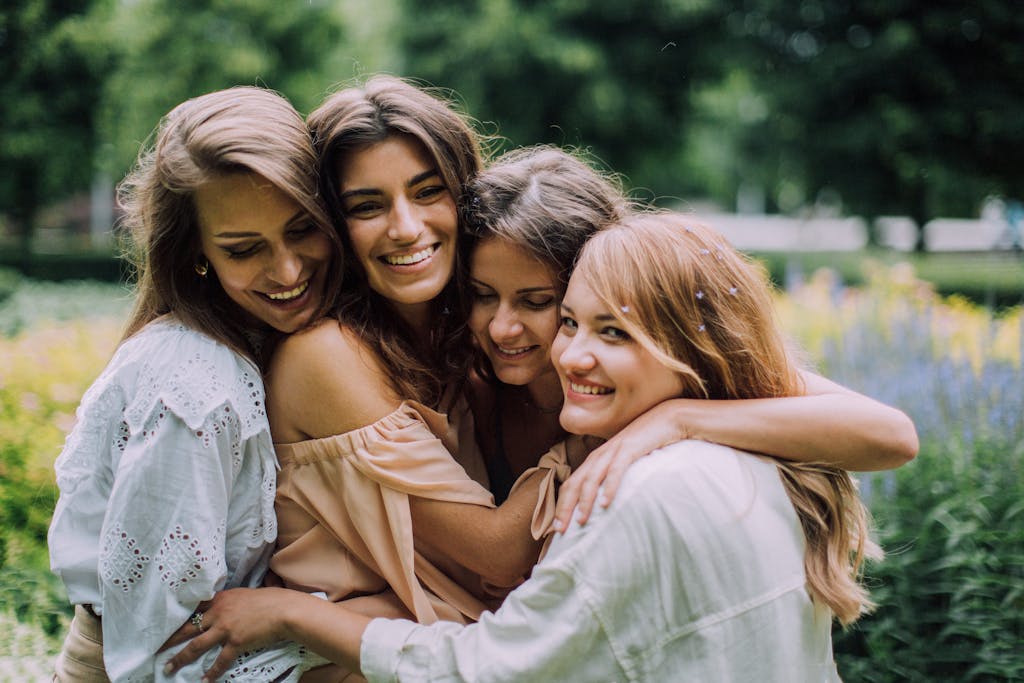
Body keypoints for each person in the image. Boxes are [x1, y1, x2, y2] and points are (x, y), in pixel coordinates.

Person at [165, 212, 883, 681]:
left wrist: (296, 614)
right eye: (572, 321)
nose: (568, 354)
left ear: (689, 350)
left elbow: (487, 669)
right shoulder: (759, 449)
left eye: (614, 334)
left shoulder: (630, 490)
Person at [46, 86, 342, 682]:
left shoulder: (264, 339)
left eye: (303, 228)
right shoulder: (195, 386)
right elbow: (157, 653)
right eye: (243, 249)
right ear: (197, 253)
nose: (287, 270)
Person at [461, 145, 917, 526]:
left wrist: (679, 418)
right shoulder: (471, 384)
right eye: (482, 295)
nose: (502, 328)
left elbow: (891, 435)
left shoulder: (660, 376)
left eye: (537, 302)